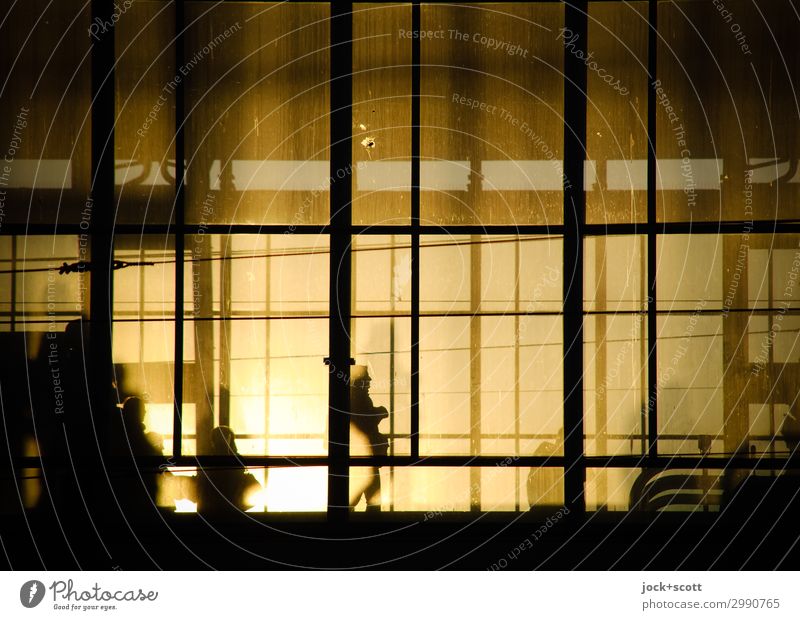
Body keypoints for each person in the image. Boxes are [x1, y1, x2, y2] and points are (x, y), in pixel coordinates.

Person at [348, 365, 389, 511]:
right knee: (372, 496)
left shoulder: (349, 400)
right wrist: (380, 412)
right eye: (366, 378)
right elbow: (365, 422)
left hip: (360, 455)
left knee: (360, 494)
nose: (370, 380)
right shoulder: (361, 400)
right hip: (365, 455)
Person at [195, 426, 261, 515]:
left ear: (212, 441)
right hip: (234, 509)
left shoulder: (207, 459)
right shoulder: (237, 459)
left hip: (210, 511)